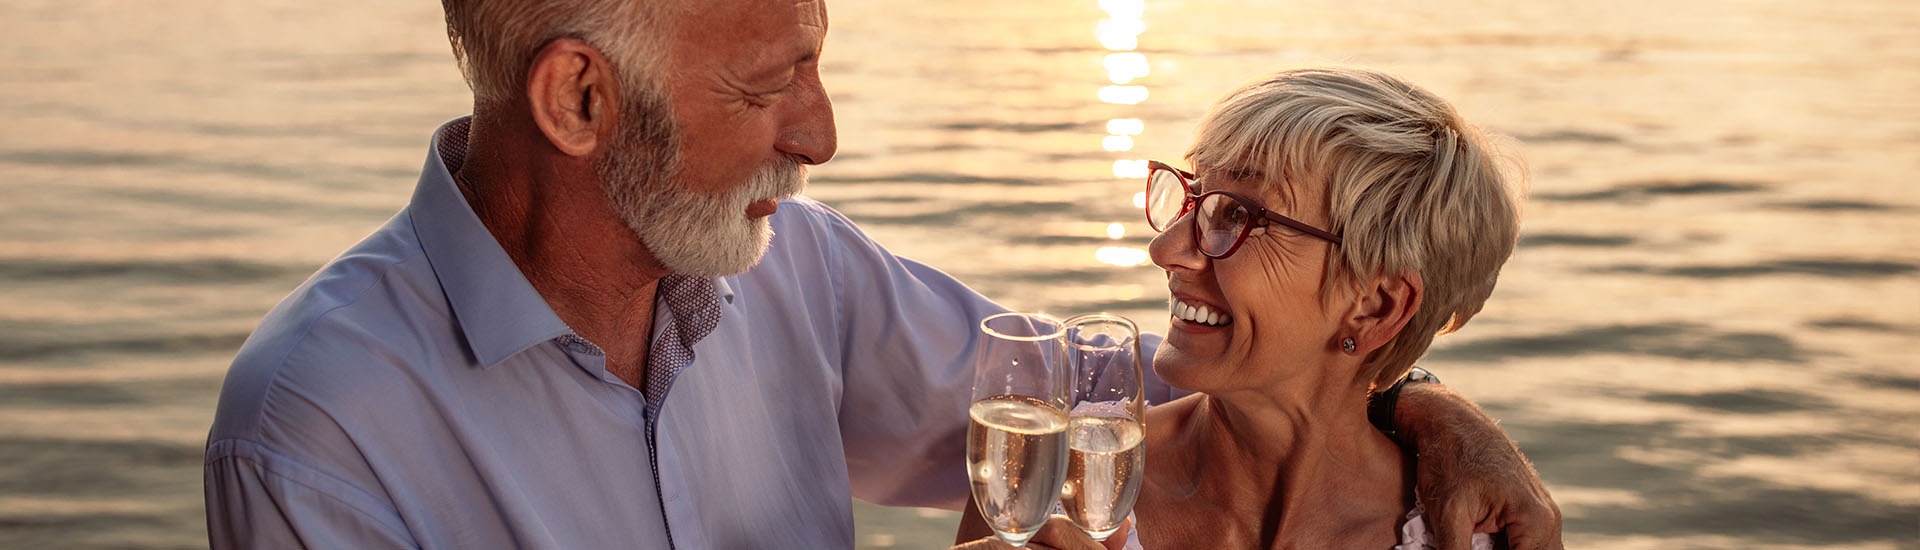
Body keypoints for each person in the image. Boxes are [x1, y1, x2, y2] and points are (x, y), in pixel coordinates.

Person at [202, 1, 1558, 548]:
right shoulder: (318, 433)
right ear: (579, 98)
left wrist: (1419, 405)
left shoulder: (799, 273)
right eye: (772, 82)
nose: (821, 134)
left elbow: (1138, 387)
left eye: (819, 60)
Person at [959, 67, 1556, 549]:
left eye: (1238, 214)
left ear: (1375, 308)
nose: (1165, 249)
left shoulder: (1475, 535)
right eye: (1193, 198)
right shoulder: (1051, 485)